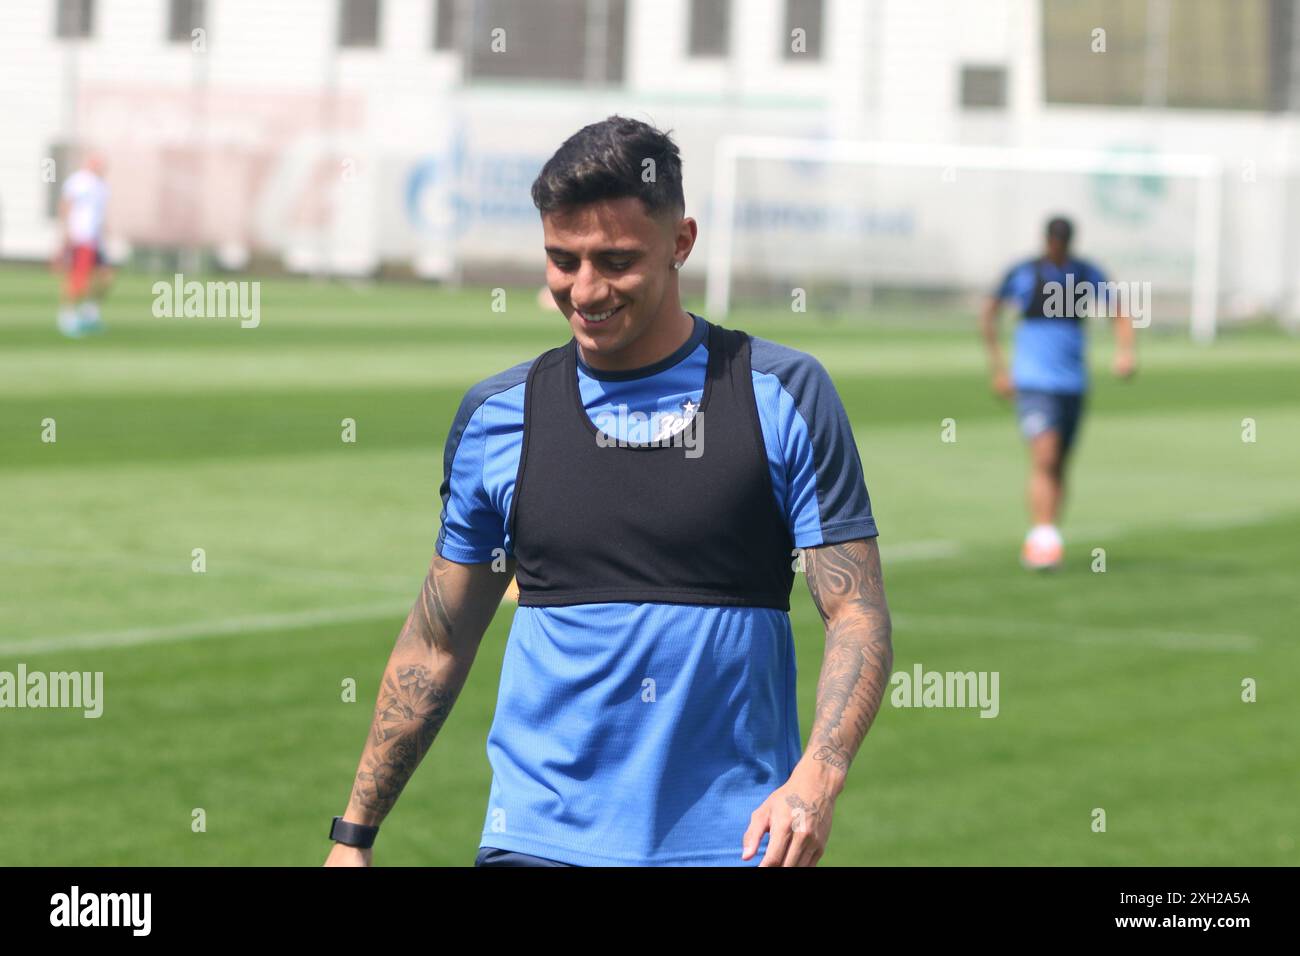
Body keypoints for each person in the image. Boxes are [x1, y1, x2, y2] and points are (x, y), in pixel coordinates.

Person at [325, 116, 892, 868]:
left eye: (615, 262)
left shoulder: (780, 394)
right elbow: (438, 640)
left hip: (733, 844)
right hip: (537, 841)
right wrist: (354, 835)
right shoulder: (500, 417)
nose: (584, 290)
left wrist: (818, 775)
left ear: (681, 242)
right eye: (563, 261)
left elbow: (855, 611)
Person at [980, 216, 1137, 570]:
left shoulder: (1084, 272)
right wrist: (1000, 369)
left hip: (1072, 384)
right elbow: (989, 312)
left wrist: (1125, 352)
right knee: (1045, 455)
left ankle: (1049, 535)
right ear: (1046, 240)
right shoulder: (1023, 273)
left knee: (1060, 462)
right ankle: (1041, 537)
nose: (1058, 246)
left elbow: (1119, 311)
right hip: (1034, 383)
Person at [54, 151, 113, 337]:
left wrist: (104, 237)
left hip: (95, 239)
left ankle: (89, 314)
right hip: (81, 236)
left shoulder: (102, 186)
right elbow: (66, 206)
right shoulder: (79, 181)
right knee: (78, 279)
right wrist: (65, 234)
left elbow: (100, 215)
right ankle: (67, 317)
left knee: (106, 277)